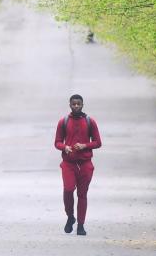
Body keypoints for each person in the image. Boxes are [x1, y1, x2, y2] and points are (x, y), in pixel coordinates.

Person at [54, 94, 102, 235]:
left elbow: (98, 142)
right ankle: (70, 216)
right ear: (69, 105)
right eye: (73, 104)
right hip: (68, 164)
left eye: (78, 104)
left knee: (82, 194)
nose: (76, 106)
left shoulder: (89, 121)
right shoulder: (63, 122)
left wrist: (85, 145)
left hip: (85, 164)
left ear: (82, 105)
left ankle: (81, 225)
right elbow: (57, 142)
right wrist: (65, 147)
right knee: (68, 190)